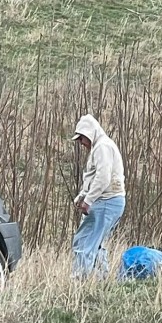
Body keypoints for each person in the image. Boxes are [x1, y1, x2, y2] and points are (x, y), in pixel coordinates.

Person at [70, 113, 126, 279]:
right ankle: (101, 280)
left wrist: (87, 201)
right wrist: (81, 196)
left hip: (107, 201)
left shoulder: (102, 147)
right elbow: (94, 178)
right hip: (109, 201)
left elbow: (103, 178)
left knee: (85, 241)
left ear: (89, 134)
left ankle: (80, 281)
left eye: (81, 138)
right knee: (96, 242)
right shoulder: (100, 146)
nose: (81, 143)